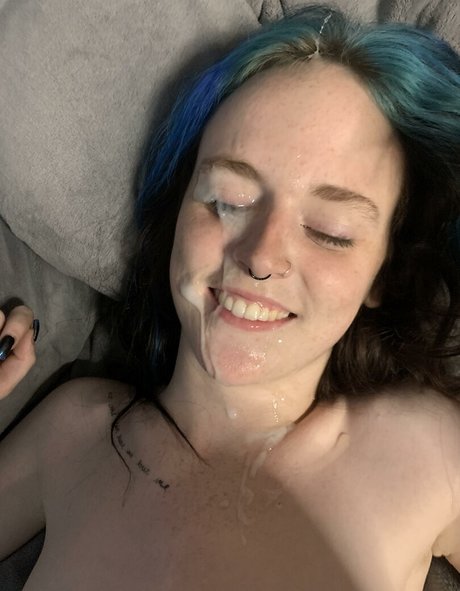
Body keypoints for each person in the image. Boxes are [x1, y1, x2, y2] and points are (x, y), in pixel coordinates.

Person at [1, 5, 460, 590]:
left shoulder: (427, 451)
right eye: (228, 201)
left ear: (383, 276)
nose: (261, 257)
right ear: (176, 218)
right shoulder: (72, 432)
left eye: (329, 232)